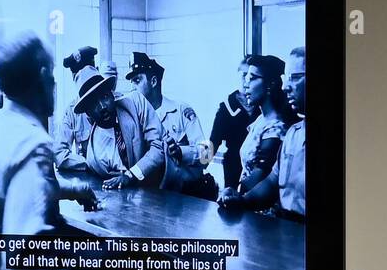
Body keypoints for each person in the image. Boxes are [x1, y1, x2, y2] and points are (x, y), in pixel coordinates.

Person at [0, 31, 96, 270]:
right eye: (52, 74)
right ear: (43, 77)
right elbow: (23, 253)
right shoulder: (31, 143)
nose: (54, 83)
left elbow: (14, 187)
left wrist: (73, 189)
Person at [220, 47, 305, 220]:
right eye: (244, 76)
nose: (245, 83)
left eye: (294, 78)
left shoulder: (278, 127)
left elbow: (264, 172)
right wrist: (200, 162)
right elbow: (211, 143)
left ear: (269, 84)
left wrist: (236, 192)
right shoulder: (228, 108)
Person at [124, 51, 214, 198]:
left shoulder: (180, 111)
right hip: (152, 196)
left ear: (153, 82)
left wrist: (181, 152)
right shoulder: (134, 120)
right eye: (131, 82)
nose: (133, 88)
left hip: (187, 195)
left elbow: (207, 154)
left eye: (137, 80)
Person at [73, 65, 165, 190]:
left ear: (112, 95)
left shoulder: (136, 103)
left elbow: (159, 147)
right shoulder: (94, 157)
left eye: (105, 97)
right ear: (88, 113)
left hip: (164, 187)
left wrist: (130, 175)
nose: (102, 107)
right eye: (94, 104)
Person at [207, 60, 258, 194]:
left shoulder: (262, 105)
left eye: (251, 77)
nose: (247, 80)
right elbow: (214, 140)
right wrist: (199, 165)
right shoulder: (227, 107)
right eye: (244, 75)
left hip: (259, 167)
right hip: (234, 165)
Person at [54, 45, 99, 174]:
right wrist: (92, 164)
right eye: (78, 78)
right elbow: (59, 155)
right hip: (90, 177)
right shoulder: (71, 111)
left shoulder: (112, 103)